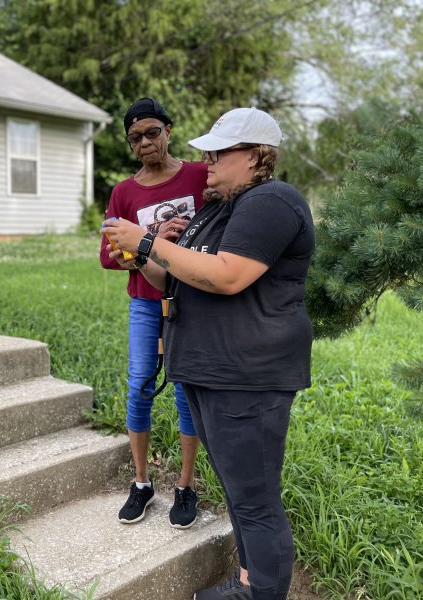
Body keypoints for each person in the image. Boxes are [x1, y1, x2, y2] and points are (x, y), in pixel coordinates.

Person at [102, 107, 314, 600]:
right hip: (209, 372)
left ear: (257, 155)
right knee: (239, 493)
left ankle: (261, 592)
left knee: (256, 501)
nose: (209, 160)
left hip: (247, 376)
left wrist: (149, 238)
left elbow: (226, 275)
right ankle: (247, 582)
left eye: (220, 151)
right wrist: (145, 254)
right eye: (207, 151)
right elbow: (172, 278)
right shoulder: (219, 208)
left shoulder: (272, 200)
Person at [100, 97, 208, 528]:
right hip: (146, 303)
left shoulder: (199, 176)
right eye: (135, 138)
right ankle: (142, 482)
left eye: (151, 133)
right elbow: (109, 256)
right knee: (140, 385)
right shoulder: (124, 193)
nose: (145, 143)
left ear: (168, 130)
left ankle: (185, 486)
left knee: (186, 391)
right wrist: (149, 241)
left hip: (192, 302)